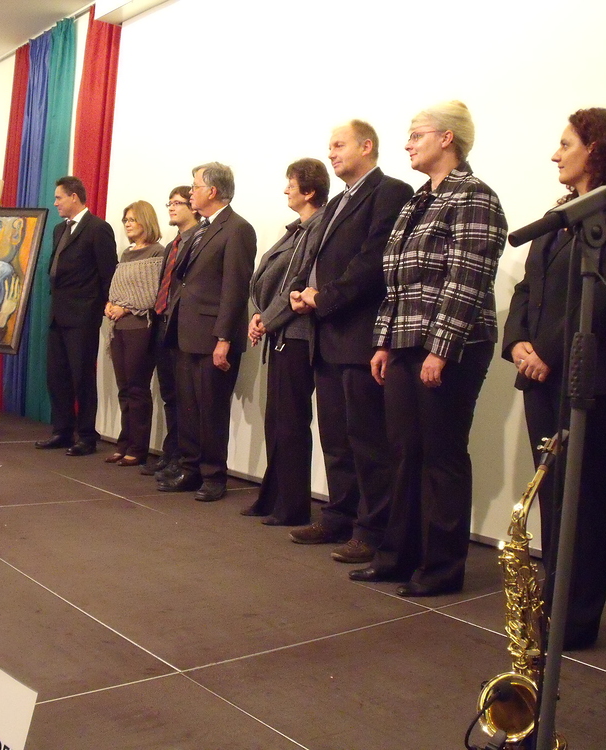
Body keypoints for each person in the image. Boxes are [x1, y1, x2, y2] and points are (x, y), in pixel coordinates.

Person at [501, 108, 606, 649]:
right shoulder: (564, 212)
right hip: (541, 374)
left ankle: (576, 618)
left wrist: (546, 352)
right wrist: (518, 344)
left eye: (565, 144)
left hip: (592, 376)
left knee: (583, 494)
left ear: (595, 147)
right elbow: (528, 287)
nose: (555, 154)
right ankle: (554, 605)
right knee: (552, 494)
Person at [349, 102, 507, 596]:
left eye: (417, 135)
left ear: (447, 138)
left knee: (441, 456)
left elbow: (467, 279)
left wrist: (440, 349)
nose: (407, 144)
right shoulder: (419, 200)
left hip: (452, 345)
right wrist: (385, 342)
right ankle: (397, 556)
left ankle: (440, 567)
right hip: (406, 343)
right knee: (403, 452)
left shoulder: (474, 196)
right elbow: (395, 280)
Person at [288, 120, 413, 563]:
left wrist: (323, 298)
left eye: (339, 145)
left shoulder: (391, 192)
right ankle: (339, 515)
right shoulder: (340, 200)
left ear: (366, 146)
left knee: (368, 442)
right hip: (328, 336)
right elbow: (321, 258)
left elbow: (372, 262)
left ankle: (372, 529)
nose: (331, 152)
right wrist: (302, 291)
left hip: (361, 335)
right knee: (336, 438)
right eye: (330, 146)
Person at [156, 163, 256, 502]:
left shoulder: (238, 229)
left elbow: (235, 289)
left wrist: (224, 338)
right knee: (188, 407)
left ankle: (214, 476)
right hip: (186, 333)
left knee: (211, 410)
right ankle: (190, 468)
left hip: (213, 336)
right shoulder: (201, 229)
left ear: (212, 191)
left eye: (195, 186)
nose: (190, 192)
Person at [241, 158, 330, 525]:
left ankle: (292, 506)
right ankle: (274, 496)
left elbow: (296, 284)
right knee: (277, 420)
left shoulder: (318, 227)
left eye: (291, 185)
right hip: (281, 330)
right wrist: (262, 316)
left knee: (291, 421)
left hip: (298, 333)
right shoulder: (298, 230)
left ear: (308, 191)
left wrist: (267, 319)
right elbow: (273, 281)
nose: (285, 190)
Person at [34, 176, 117, 456]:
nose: (55, 202)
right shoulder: (60, 229)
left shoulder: (98, 228)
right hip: (58, 314)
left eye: (59, 197)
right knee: (57, 375)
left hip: (83, 315)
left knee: (82, 376)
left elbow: (108, 273)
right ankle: (62, 430)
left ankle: (87, 436)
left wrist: (101, 307)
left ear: (74, 197)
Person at [141, 186, 199, 478]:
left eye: (178, 203)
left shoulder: (198, 240)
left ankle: (183, 457)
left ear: (193, 207)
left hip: (183, 327)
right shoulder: (173, 244)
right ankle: (171, 451)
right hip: (162, 322)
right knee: (169, 394)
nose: (172, 208)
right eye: (170, 203)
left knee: (184, 396)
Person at [104, 201, 165, 466]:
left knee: (138, 388)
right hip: (118, 328)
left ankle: (138, 448)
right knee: (124, 388)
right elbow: (119, 287)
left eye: (132, 219)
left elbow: (152, 294)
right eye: (125, 220)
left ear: (145, 221)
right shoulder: (126, 253)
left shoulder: (157, 253)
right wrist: (110, 304)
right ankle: (124, 442)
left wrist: (126, 308)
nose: (127, 224)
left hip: (141, 328)